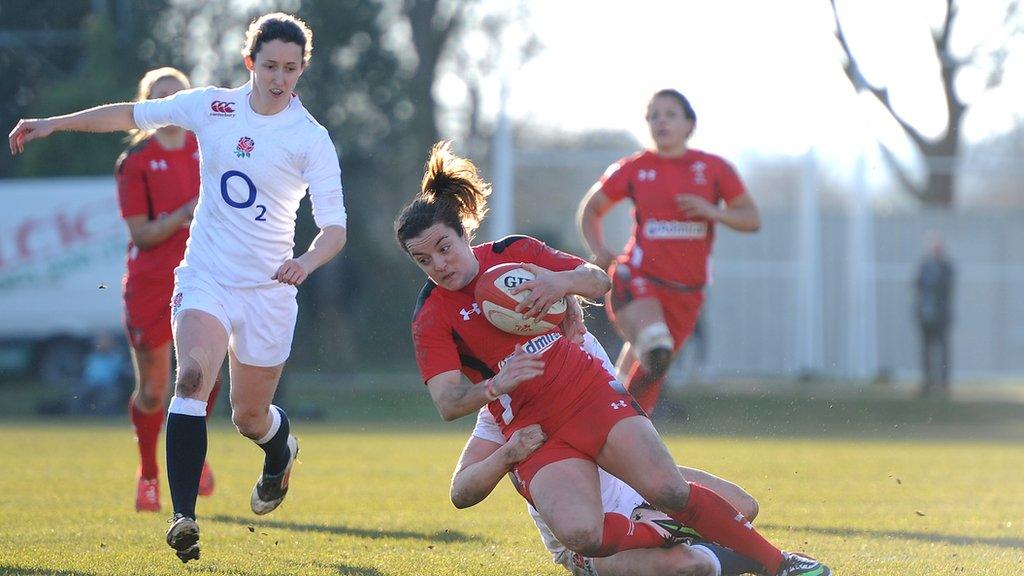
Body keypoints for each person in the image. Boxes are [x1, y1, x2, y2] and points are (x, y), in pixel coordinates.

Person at [396, 141, 828, 576]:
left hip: (588, 392)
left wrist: (558, 282)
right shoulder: (431, 316)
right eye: (423, 259)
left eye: (444, 247)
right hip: (536, 426)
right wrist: (496, 385)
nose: (439, 264)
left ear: (464, 233)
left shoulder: (515, 254)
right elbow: (449, 404)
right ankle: (663, 535)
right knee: (585, 534)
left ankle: (780, 565)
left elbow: (598, 280)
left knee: (674, 491)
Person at [9, 13, 348, 563]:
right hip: (206, 276)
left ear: (302, 69)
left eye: (290, 68)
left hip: (268, 290)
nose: (279, 78)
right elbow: (130, 113)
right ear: (250, 63)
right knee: (189, 378)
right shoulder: (211, 105)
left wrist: (306, 262)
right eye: (269, 66)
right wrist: (51, 123)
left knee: (249, 418)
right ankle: (184, 518)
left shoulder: (310, 139)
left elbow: (335, 228)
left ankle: (280, 449)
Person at [452, 332, 764, 576]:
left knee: (743, 507)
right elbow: (461, 492)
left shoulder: (583, 346)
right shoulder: (504, 410)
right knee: (685, 566)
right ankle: (747, 558)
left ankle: (677, 534)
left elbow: (594, 281)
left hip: (633, 487)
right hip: (589, 535)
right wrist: (508, 454)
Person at [577, 89, 760, 413]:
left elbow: (750, 218)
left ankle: (619, 427)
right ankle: (606, 415)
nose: (661, 121)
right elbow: (592, 209)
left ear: (689, 124)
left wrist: (712, 211)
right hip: (637, 277)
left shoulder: (714, 168)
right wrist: (600, 251)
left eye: (670, 114)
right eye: (654, 115)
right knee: (655, 342)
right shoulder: (634, 168)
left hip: (687, 293)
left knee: (650, 371)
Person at [115, 66, 224, 513]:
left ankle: (189, 455)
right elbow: (142, 235)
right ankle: (148, 473)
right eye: (160, 97)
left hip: (204, 275)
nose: (170, 104)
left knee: (205, 373)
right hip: (151, 285)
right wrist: (186, 211)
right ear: (148, 107)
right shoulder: (136, 162)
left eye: (177, 95)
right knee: (155, 390)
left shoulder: (210, 147)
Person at [915, 232, 954, 397]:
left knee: (943, 350)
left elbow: (945, 286)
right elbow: (917, 284)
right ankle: (928, 382)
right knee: (926, 350)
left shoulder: (946, 267)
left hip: (941, 317)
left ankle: (943, 383)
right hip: (926, 315)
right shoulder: (924, 266)